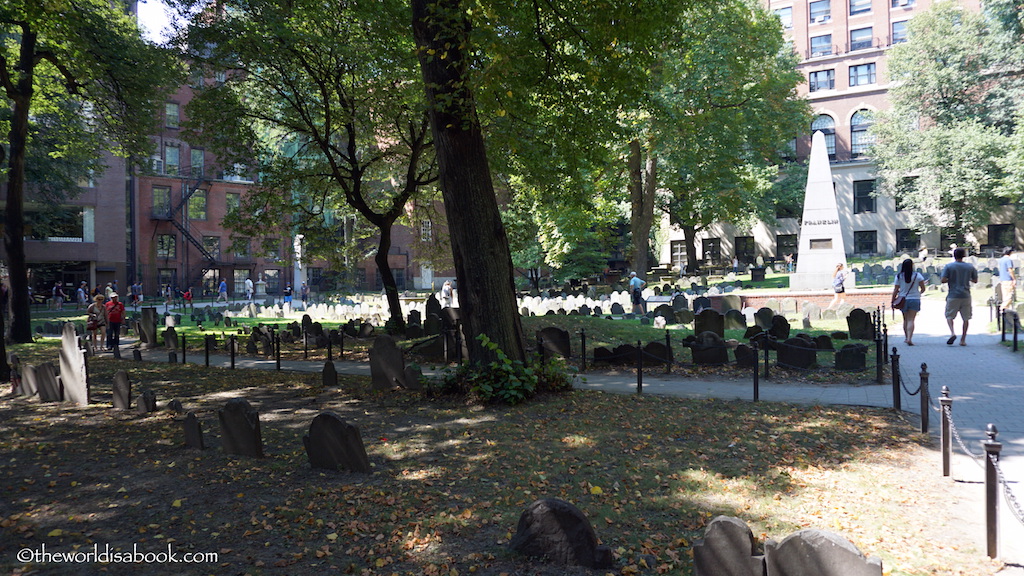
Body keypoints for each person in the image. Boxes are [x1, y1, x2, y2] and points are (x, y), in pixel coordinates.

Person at [941, 246, 978, 346]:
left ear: (954, 255)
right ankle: (963, 339)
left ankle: (952, 332)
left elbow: (943, 280)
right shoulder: (970, 267)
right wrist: (966, 278)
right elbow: (975, 280)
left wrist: (952, 279)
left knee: (949, 315)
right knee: (966, 318)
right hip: (966, 295)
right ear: (964, 256)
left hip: (953, 294)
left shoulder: (949, 266)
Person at [892, 258, 926, 346]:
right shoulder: (917, 275)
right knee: (911, 319)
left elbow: (896, 289)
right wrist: (918, 293)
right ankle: (910, 338)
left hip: (903, 299)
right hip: (915, 299)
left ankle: (906, 337)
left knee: (905, 319)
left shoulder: (899, 276)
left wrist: (893, 300)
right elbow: (923, 288)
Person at [997, 246, 1016, 313]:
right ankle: (1002, 309)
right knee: (1009, 296)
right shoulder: (1008, 260)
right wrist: (1014, 279)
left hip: (1002, 280)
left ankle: (1007, 311)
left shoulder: (1001, 260)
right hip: (1008, 280)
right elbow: (1010, 270)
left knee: (1005, 296)